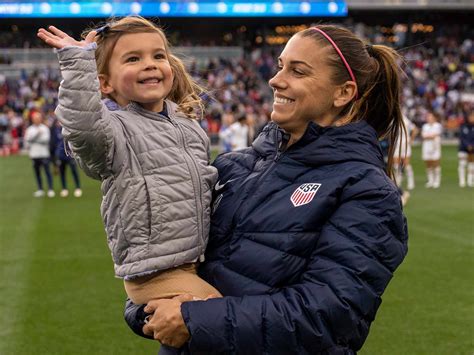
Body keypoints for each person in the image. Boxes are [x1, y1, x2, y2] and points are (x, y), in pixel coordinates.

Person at [125, 24, 408, 354]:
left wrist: (193, 320)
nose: (276, 80)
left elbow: (326, 317)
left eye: (297, 71)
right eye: (280, 65)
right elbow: (168, 261)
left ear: (343, 93)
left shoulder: (367, 191)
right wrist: (148, 307)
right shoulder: (234, 165)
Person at [37, 16, 221, 308]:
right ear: (105, 84)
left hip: (196, 259)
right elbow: (83, 126)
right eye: (133, 58)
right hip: (154, 273)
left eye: (158, 55)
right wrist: (77, 64)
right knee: (221, 314)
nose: (149, 63)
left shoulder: (188, 125)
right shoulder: (115, 130)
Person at [24, 110, 55, 198]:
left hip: (44, 154)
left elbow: (45, 140)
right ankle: (40, 189)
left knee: (47, 172)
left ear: (41, 119)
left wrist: (33, 139)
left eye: (38, 118)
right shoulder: (30, 129)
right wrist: (37, 135)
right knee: (37, 173)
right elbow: (27, 141)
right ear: (32, 119)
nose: (37, 120)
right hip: (34, 155)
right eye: (35, 118)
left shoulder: (44, 128)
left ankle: (50, 189)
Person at [50, 119, 83, 197]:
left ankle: (78, 188)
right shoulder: (55, 128)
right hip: (60, 154)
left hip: (70, 153)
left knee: (74, 171)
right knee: (62, 172)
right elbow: (53, 142)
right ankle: (64, 188)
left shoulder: (69, 127)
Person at [393, 114, 418, 190]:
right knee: (396, 164)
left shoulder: (405, 120)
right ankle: (397, 181)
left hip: (405, 145)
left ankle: (411, 181)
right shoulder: (392, 120)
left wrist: (411, 140)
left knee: (406, 164)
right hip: (396, 145)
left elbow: (415, 130)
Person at [421, 111, 443, 188]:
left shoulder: (438, 125)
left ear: (434, 118)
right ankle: (430, 180)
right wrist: (430, 136)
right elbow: (423, 135)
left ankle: (437, 181)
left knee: (436, 163)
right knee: (428, 164)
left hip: (435, 147)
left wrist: (428, 136)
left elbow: (435, 134)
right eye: (428, 117)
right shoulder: (425, 126)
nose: (429, 118)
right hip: (426, 147)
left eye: (430, 117)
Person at [458, 111, 474, 187]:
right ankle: (462, 181)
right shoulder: (463, 126)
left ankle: (470, 181)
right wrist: (467, 145)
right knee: (462, 164)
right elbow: (461, 138)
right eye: (471, 116)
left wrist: (472, 145)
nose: (472, 118)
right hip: (463, 148)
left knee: (471, 165)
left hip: (472, 149)